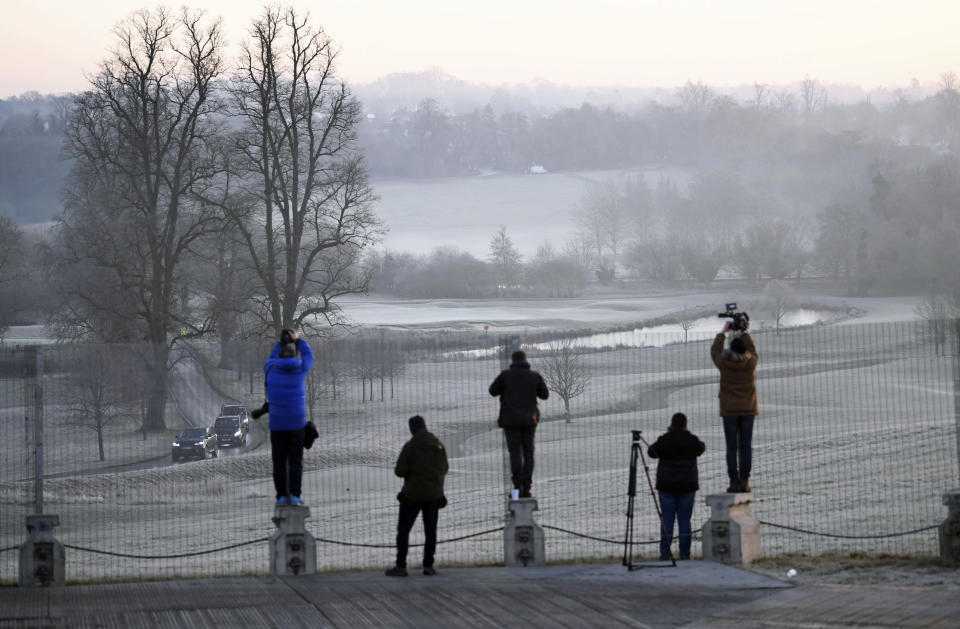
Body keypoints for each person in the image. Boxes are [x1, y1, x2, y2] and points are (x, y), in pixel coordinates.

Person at [386, 415, 449, 577]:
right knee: (430, 531)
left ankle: (401, 566)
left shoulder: (410, 446)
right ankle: (428, 565)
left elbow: (399, 471)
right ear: (425, 426)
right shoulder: (438, 445)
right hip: (434, 496)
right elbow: (445, 468)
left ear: (412, 429)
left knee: (403, 530)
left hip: (412, 496)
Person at [489, 350, 549, 498]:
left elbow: (492, 391)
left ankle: (516, 489)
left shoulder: (505, 376)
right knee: (528, 453)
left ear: (513, 360)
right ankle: (527, 488)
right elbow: (545, 395)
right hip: (529, 421)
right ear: (525, 359)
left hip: (510, 421)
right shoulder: (534, 376)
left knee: (515, 453)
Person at [264, 328, 314, 506]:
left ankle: (280, 497)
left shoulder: (270, 369)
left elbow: (271, 358)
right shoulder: (300, 369)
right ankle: (294, 495)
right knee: (295, 462)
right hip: (296, 424)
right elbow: (309, 357)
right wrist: (298, 340)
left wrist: (281, 342)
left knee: (278, 462)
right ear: (294, 356)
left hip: (277, 425)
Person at [647, 412, 706, 561]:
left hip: (666, 486)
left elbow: (651, 452)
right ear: (685, 424)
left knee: (667, 520)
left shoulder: (664, 440)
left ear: (672, 424)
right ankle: (685, 554)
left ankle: (665, 554)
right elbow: (701, 448)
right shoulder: (691, 440)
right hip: (687, 486)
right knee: (684, 521)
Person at [711, 322, 758, 493]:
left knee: (731, 447)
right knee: (746, 446)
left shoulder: (724, 362)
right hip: (748, 409)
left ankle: (733, 482)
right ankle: (744, 482)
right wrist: (744, 331)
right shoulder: (751, 362)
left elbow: (715, 351)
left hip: (729, 410)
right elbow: (752, 349)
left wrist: (723, 332)